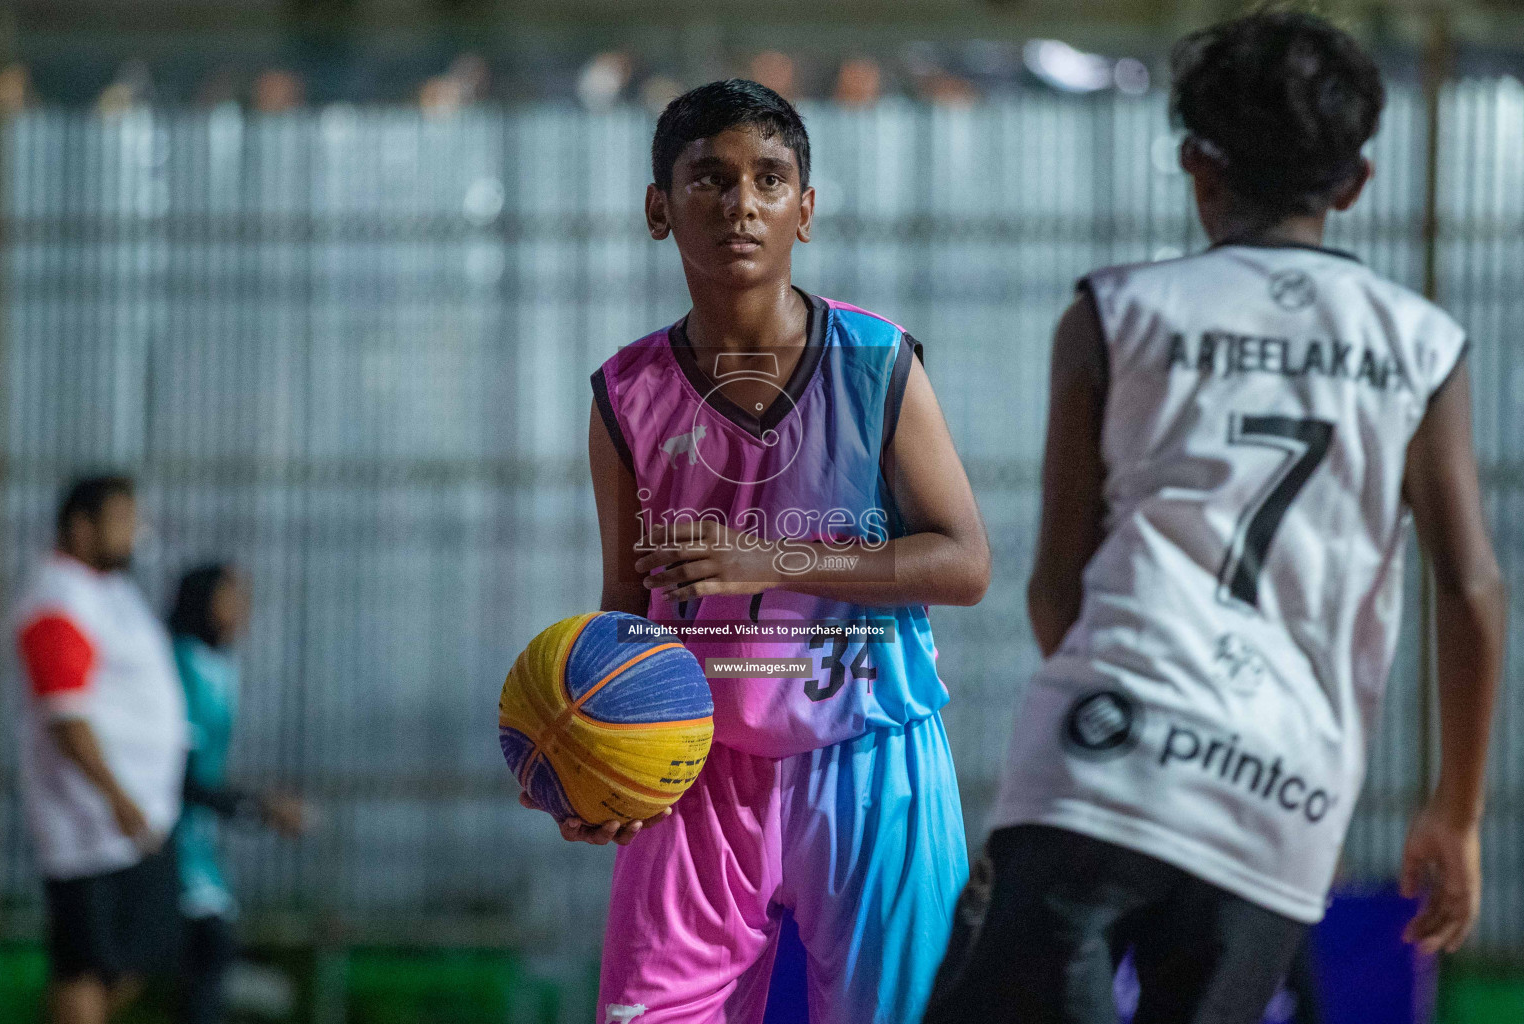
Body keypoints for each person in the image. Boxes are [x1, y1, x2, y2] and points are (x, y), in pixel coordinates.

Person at [925, 12, 1506, 1024]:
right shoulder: (1422, 345)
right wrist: (1456, 811)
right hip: (1279, 794)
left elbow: (1057, 578)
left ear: (1195, 165)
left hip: (1102, 757)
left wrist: (1126, 714)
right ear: (1356, 182)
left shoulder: (1114, 314)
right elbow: (1471, 590)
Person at [522, 79, 991, 1023]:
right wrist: (592, 754)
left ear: (804, 211)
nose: (742, 204)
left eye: (770, 180)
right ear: (660, 209)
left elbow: (964, 563)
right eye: (711, 179)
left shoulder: (875, 361)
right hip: (693, 764)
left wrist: (770, 562)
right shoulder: (625, 394)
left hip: (869, 753)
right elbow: (627, 602)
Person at [13, 476, 189, 1024]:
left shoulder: (105, 591)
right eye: (121, 522)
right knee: (83, 968)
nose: (133, 534)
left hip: (132, 819)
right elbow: (66, 716)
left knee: (123, 967)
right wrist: (115, 795)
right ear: (81, 527)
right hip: (89, 822)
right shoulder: (57, 600)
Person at [168, 562, 305, 1024]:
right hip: (162, 836)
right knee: (201, 951)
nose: (244, 607)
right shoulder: (178, 663)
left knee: (205, 954)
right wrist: (257, 807)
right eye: (231, 596)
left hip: (196, 838)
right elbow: (179, 774)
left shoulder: (220, 665)